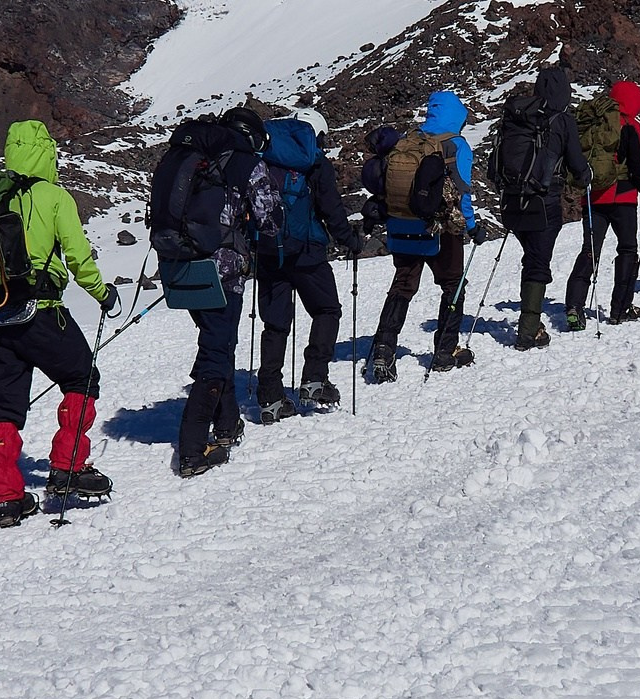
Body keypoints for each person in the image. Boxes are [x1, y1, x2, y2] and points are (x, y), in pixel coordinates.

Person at [0, 120, 118, 527]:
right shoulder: (54, 196)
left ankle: (6, 497)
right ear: (46, 152)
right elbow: (78, 257)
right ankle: (68, 467)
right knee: (82, 379)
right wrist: (103, 294)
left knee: (6, 406)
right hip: (40, 311)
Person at [155, 106, 272, 478]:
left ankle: (227, 425)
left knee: (216, 343)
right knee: (216, 351)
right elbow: (269, 220)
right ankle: (192, 448)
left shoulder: (188, 155)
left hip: (180, 264)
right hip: (222, 271)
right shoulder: (246, 163)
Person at [364, 89, 493, 380]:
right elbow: (462, 193)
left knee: (403, 285)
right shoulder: (455, 145)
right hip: (440, 230)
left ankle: (384, 350)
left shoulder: (408, 140)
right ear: (458, 117)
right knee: (452, 284)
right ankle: (445, 352)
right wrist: (472, 227)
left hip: (401, 226)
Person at [252, 110, 362, 421]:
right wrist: (349, 239)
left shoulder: (265, 158)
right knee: (326, 310)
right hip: (308, 251)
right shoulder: (315, 161)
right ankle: (314, 379)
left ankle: (269, 396)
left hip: (269, 250)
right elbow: (331, 207)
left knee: (275, 324)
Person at [492, 65, 591, 349]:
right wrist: (586, 176)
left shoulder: (517, 116)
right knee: (538, 262)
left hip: (512, 201)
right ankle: (529, 329)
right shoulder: (562, 119)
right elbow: (575, 162)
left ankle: (530, 319)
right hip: (543, 201)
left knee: (532, 256)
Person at [565, 79, 640, 328]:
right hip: (623, 198)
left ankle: (574, 307)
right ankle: (620, 308)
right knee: (627, 249)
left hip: (593, 197)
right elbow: (638, 168)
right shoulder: (630, 126)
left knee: (589, 250)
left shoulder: (596, 123)